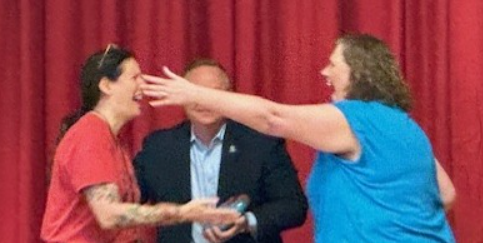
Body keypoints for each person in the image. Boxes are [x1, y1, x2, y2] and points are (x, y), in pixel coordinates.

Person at [141, 34, 457, 242]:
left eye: (333, 64)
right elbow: (445, 193)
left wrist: (196, 94)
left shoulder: (354, 118)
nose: (325, 71)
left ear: (358, 73)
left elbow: (272, 118)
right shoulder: (406, 127)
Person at [41, 45, 239, 243]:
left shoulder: (112, 139)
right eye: (134, 78)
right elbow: (109, 215)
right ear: (107, 86)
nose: (142, 85)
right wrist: (183, 213)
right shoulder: (90, 133)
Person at [134, 58, 308, 243]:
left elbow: (293, 206)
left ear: (228, 98)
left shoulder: (261, 143)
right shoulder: (159, 147)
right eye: (196, 94)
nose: (204, 102)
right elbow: (128, 198)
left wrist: (245, 222)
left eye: (212, 94)